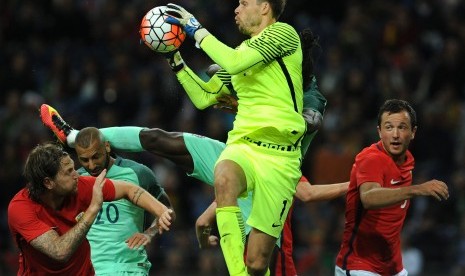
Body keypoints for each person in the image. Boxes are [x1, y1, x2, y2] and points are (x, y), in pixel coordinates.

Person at [39, 70, 348, 275]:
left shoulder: (287, 146)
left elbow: (305, 184)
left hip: (267, 242)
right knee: (161, 139)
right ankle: (72, 134)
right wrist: (204, 230)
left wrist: (354, 183)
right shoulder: (230, 152)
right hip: (236, 155)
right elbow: (201, 219)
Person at [163, 1, 309, 274]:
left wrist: (195, 28)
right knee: (224, 177)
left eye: (243, 3)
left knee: (256, 263)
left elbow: (234, 62)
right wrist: (175, 59)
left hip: (280, 159)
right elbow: (205, 97)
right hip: (243, 144)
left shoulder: (284, 34)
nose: (236, 9)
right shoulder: (241, 52)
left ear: (265, 7)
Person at [7, 142, 174, 275]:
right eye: (69, 171)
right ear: (48, 183)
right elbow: (60, 252)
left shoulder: (79, 185)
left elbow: (129, 189)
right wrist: (94, 208)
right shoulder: (21, 208)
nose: (77, 174)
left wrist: (161, 211)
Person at [335, 99, 449, 276]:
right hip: (360, 265)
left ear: (413, 132)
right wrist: (417, 189)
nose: (395, 134)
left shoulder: (408, 162)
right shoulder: (371, 158)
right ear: (379, 132)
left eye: (402, 127)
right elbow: (368, 197)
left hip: (393, 268)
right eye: (388, 127)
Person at [73, 126, 173, 275]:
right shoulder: (75, 181)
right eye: (84, 160)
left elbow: (168, 211)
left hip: (129, 268)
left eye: (96, 157)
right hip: (89, 270)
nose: (92, 165)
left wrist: (149, 233)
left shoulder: (138, 173)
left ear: (107, 146)